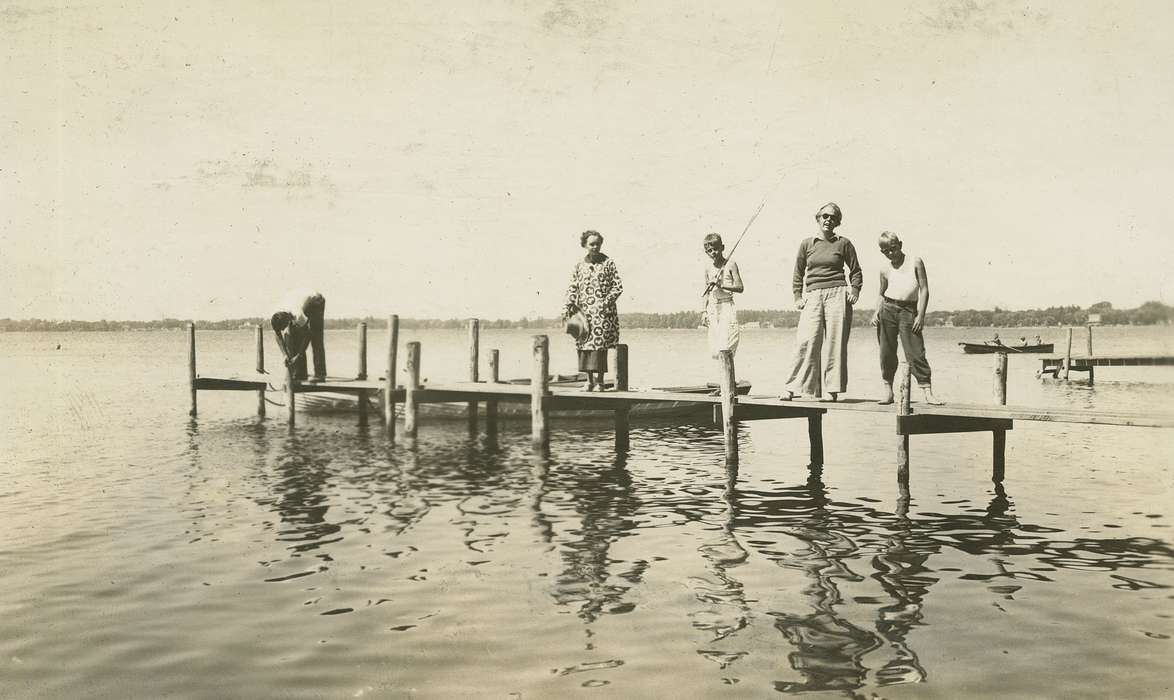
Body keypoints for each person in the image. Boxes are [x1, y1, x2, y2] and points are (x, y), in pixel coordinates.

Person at [779, 203, 863, 402]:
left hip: (837, 293)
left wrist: (855, 290)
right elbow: (798, 272)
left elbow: (856, 270)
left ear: (838, 222)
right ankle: (791, 387)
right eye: (825, 216)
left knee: (836, 343)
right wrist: (797, 296)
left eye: (833, 217)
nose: (828, 220)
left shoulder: (844, 243)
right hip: (813, 294)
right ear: (818, 218)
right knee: (806, 341)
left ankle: (831, 390)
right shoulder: (807, 244)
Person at [870, 232, 943, 405]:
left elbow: (924, 289)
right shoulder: (884, 269)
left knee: (915, 351)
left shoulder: (915, 262)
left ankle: (927, 392)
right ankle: (888, 391)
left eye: (893, 248)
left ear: (900, 245)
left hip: (909, 310)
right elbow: (881, 293)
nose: (890, 253)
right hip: (887, 310)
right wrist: (875, 312)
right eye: (885, 251)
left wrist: (921, 315)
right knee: (886, 352)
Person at [563, 231, 623, 391]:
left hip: (603, 313)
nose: (595, 247)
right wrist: (568, 305)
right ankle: (589, 381)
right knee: (584, 346)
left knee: (599, 348)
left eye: (598, 243)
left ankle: (600, 382)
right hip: (584, 313)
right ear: (585, 245)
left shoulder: (608, 263)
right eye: (591, 244)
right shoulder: (579, 265)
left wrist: (605, 302)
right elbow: (573, 287)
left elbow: (617, 287)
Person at [701, 233, 744, 361]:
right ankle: (722, 378)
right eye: (709, 251)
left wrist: (721, 285)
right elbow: (706, 292)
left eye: (716, 249)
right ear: (706, 252)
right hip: (713, 308)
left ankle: (729, 379)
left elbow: (740, 287)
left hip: (727, 306)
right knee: (715, 349)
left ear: (722, 247)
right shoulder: (708, 269)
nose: (713, 252)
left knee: (727, 346)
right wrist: (703, 311)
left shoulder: (730, 264)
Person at [271, 290, 327, 382]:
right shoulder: (274, 317)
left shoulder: (298, 315)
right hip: (299, 299)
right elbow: (277, 335)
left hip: (315, 300)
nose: (284, 330)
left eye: (285, 327)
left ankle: (320, 374)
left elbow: (308, 335)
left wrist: (299, 354)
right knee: (294, 335)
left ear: (289, 320)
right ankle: (300, 374)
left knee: (316, 336)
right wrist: (284, 355)